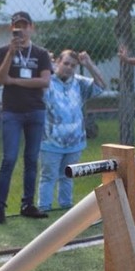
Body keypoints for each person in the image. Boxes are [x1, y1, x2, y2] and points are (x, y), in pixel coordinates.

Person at [0, 11, 53, 226]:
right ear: (11, 28)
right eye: (17, 26)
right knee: (9, 159)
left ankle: (28, 205)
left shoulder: (40, 54)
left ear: (31, 27)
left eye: (24, 26)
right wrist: (11, 54)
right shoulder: (3, 51)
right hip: (12, 112)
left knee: (32, 159)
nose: (21, 30)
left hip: (35, 111)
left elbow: (44, 82)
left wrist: (13, 80)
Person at [38, 50, 107, 212]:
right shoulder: (46, 81)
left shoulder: (79, 83)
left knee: (68, 175)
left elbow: (101, 85)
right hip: (50, 141)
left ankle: (66, 206)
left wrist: (88, 63)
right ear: (57, 63)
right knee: (48, 176)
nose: (69, 68)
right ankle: (44, 207)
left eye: (73, 65)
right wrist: (45, 64)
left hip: (75, 141)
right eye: (66, 63)